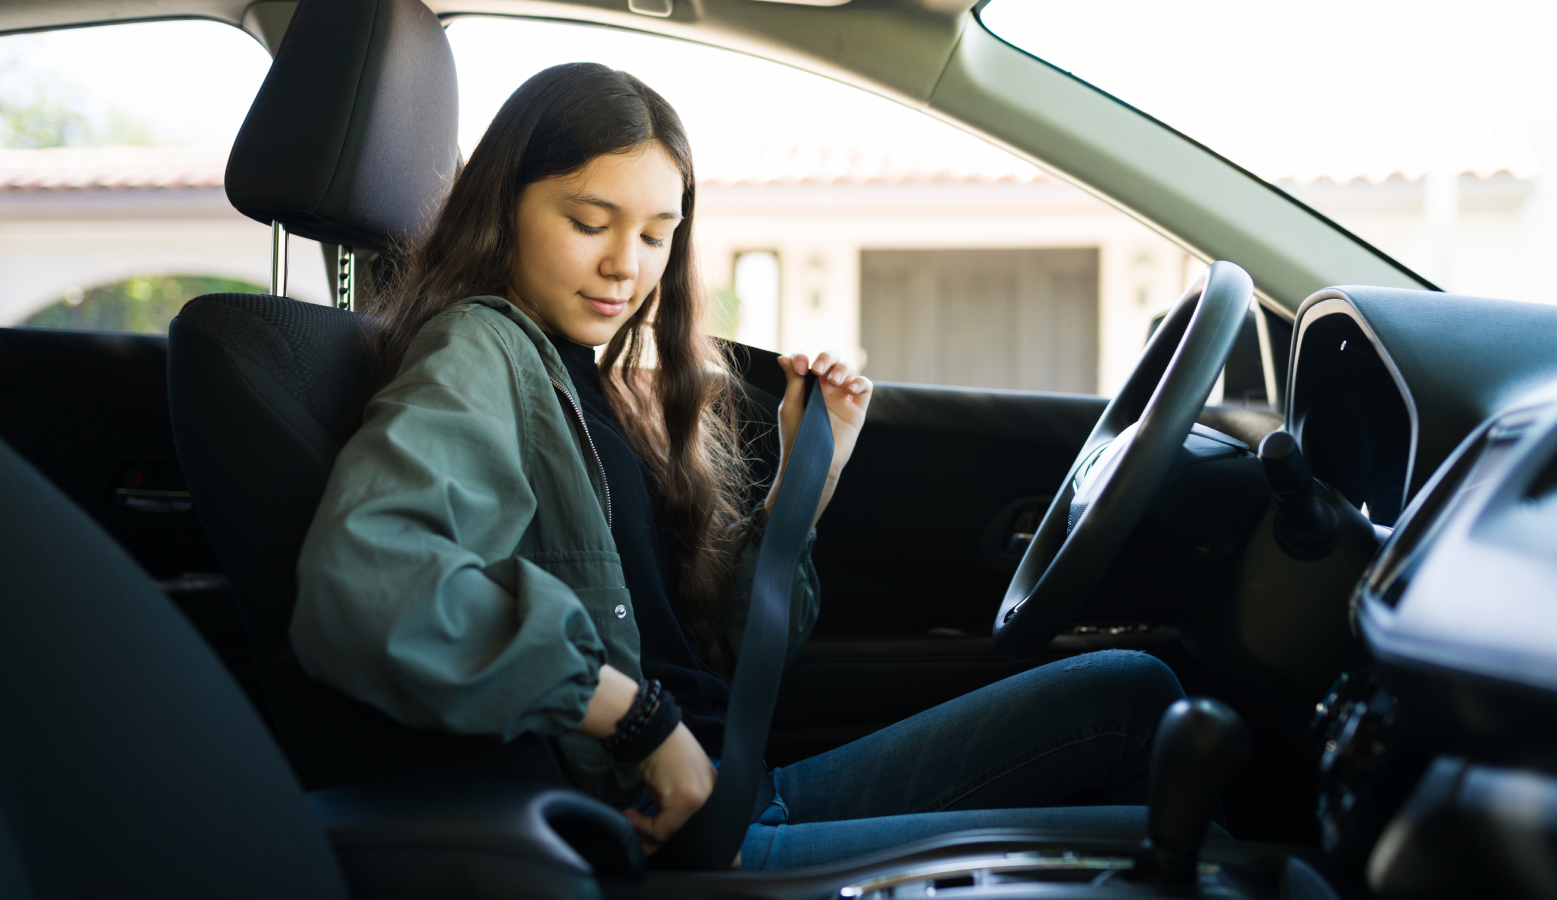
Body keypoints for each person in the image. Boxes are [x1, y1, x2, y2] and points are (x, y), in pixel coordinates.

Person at [293, 62, 1186, 872]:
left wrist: (808, 480)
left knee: (1133, 696)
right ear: (504, 207)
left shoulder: (588, 378)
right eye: (588, 222)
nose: (626, 266)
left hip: (742, 784)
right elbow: (369, 581)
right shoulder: (479, 351)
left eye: (657, 235)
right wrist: (640, 722)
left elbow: (713, 654)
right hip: (688, 839)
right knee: (1179, 830)